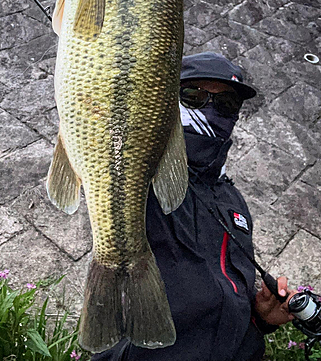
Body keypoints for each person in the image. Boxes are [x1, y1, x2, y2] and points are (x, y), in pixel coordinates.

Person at [91, 51, 297, 361]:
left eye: (227, 104)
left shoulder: (234, 203)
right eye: (192, 96)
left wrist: (261, 318)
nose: (211, 111)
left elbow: (221, 295)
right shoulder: (139, 173)